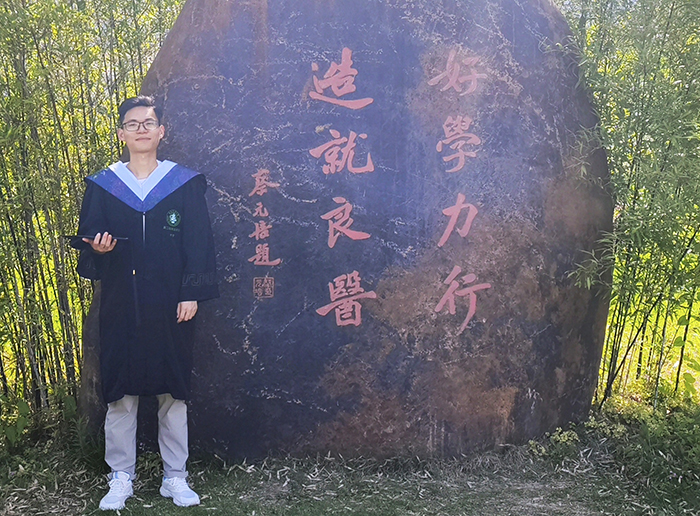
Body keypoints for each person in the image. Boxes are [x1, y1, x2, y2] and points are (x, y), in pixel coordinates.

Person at [73, 95, 218, 510]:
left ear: (161, 132)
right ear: (121, 133)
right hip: (122, 301)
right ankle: (121, 476)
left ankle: (175, 476)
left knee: (173, 390)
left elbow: (199, 242)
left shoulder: (183, 184)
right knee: (121, 390)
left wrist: (191, 291)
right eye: (132, 124)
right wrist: (98, 248)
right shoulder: (104, 185)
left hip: (172, 302)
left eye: (148, 123)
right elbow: (90, 239)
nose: (141, 129)